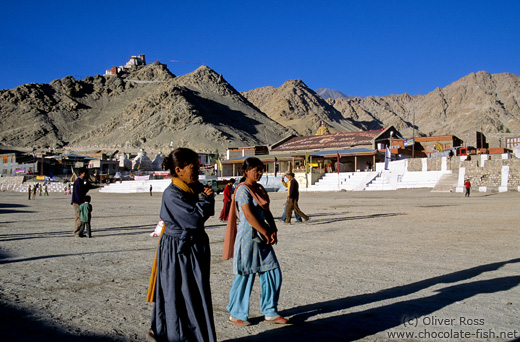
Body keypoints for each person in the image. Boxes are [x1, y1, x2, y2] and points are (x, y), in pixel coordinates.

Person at [147, 148, 216, 342]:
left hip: (193, 248)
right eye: (193, 167)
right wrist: (204, 200)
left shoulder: (193, 188)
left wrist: (207, 198)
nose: (197, 170)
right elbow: (193, 220)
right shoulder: (172, 194)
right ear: (179, 170)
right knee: (179, 294)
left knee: (194, 293)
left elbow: (205, 212)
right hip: (178, 250)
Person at [223, 157, 289, 326]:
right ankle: (236, 314)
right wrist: (266, 231)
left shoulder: (259, 188)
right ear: (246, 172)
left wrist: (273, 229)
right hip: (248, 238)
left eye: (261, 170)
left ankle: (270, 311)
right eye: (256, 170)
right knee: (245, 274)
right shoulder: (242, 190)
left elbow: (266, 211)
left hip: (263, 237)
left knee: (272, 272)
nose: (259, 173)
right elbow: (248, 215)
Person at [71, 168, 90, 237]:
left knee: (79, 216)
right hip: (77, 202)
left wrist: (87, 184)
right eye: (84, 174)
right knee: (79, 216)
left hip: (79, 201)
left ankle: (79, 229)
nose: (85, 175)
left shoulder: (81, 181)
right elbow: (77, 193)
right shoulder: (78, 181)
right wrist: (80, 202)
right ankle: (76, 230)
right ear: (81, 174)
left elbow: (83, 191)